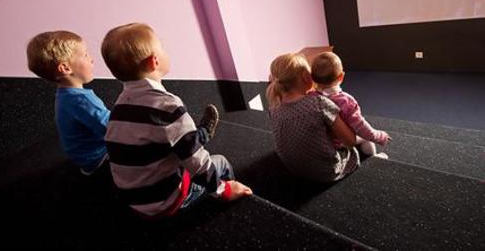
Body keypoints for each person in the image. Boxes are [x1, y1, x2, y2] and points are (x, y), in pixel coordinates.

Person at [100, 22, 252, 218]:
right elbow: (198, 163)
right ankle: (227, 200)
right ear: (153, 61)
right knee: (219, 161)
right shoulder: (167, 107)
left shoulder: (120, 105)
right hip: (164, 202)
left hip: (132, 198)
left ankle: (197, 135)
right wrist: (225, 190)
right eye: (162, 47)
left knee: (178, 138)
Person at [26, 31, 110, 176]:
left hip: (82, 158)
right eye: (85, 55)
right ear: (65, 68)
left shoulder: (64, 95)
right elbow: (113, 129)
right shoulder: (82, 100)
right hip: (98, 158)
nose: (91, 59)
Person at [266, 53, 359, 182]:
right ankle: (374, 158)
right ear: (306, 77)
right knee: (360, 140)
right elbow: (350, 141)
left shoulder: (274, 107)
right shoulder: (319, 103)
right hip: (326, 171)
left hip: (293, 169)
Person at [311, 52, 391, 158]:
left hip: (321, 143)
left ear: (312, 77)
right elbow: (361, 127)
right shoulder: (346, 101)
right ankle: (374, 158)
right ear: (341, 77)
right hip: (340, 144)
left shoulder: (310, 98)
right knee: (366, 138)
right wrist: (380, 136)